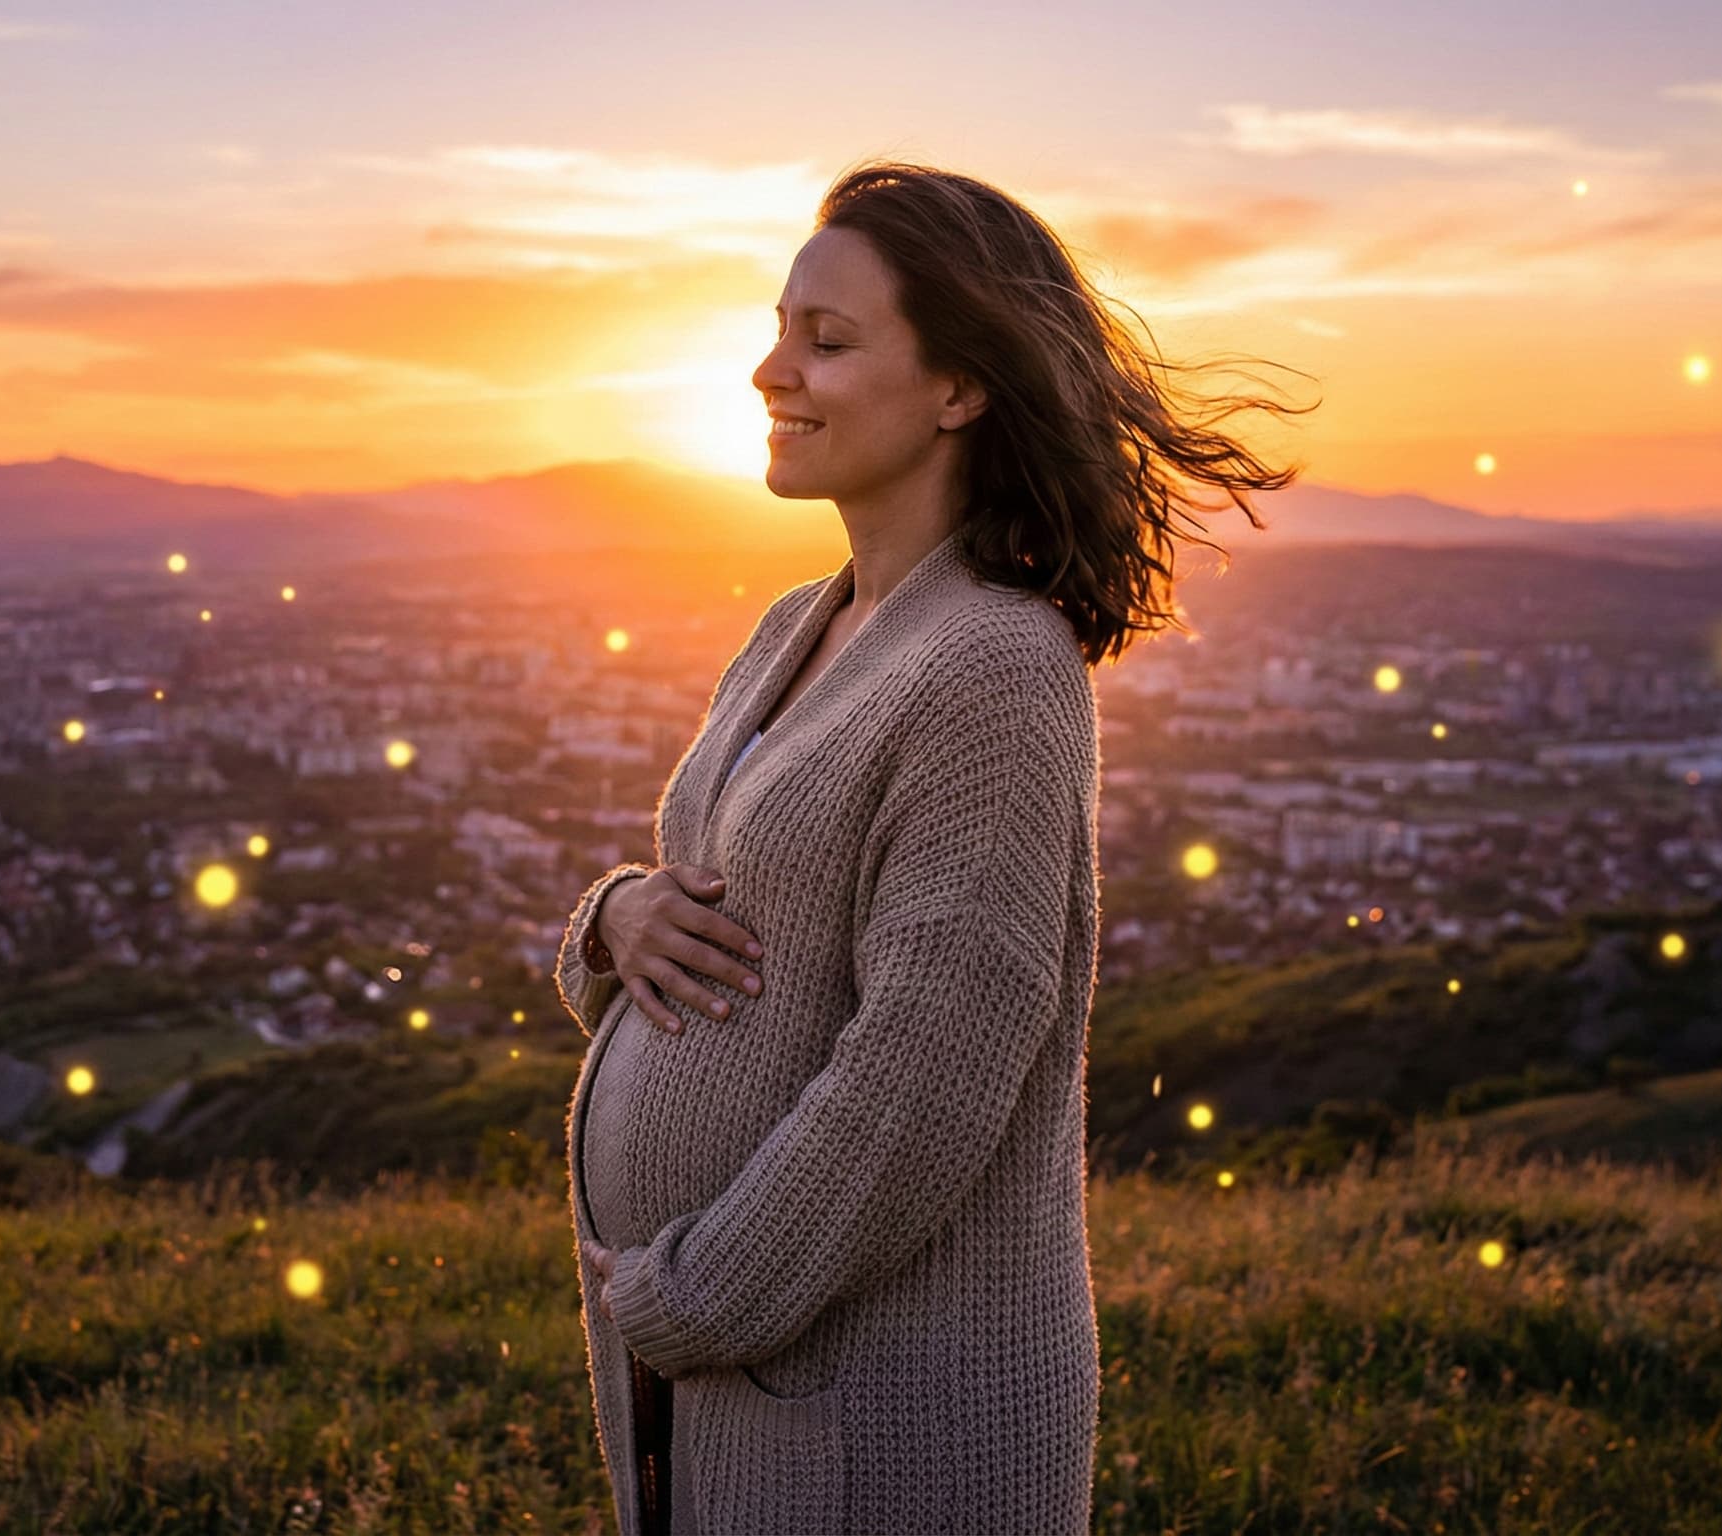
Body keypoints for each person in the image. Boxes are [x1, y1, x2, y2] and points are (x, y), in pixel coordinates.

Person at [554, 158, 1310, 1534]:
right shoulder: (801, 625)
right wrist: (613, 917)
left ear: (960, 388)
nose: (769, 369)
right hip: (747, 1389)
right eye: (782, 327)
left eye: (827, 341)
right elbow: (718, 894)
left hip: (879, 1421)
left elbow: (927, 1073)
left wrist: (699, 1295)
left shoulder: (997, 667)